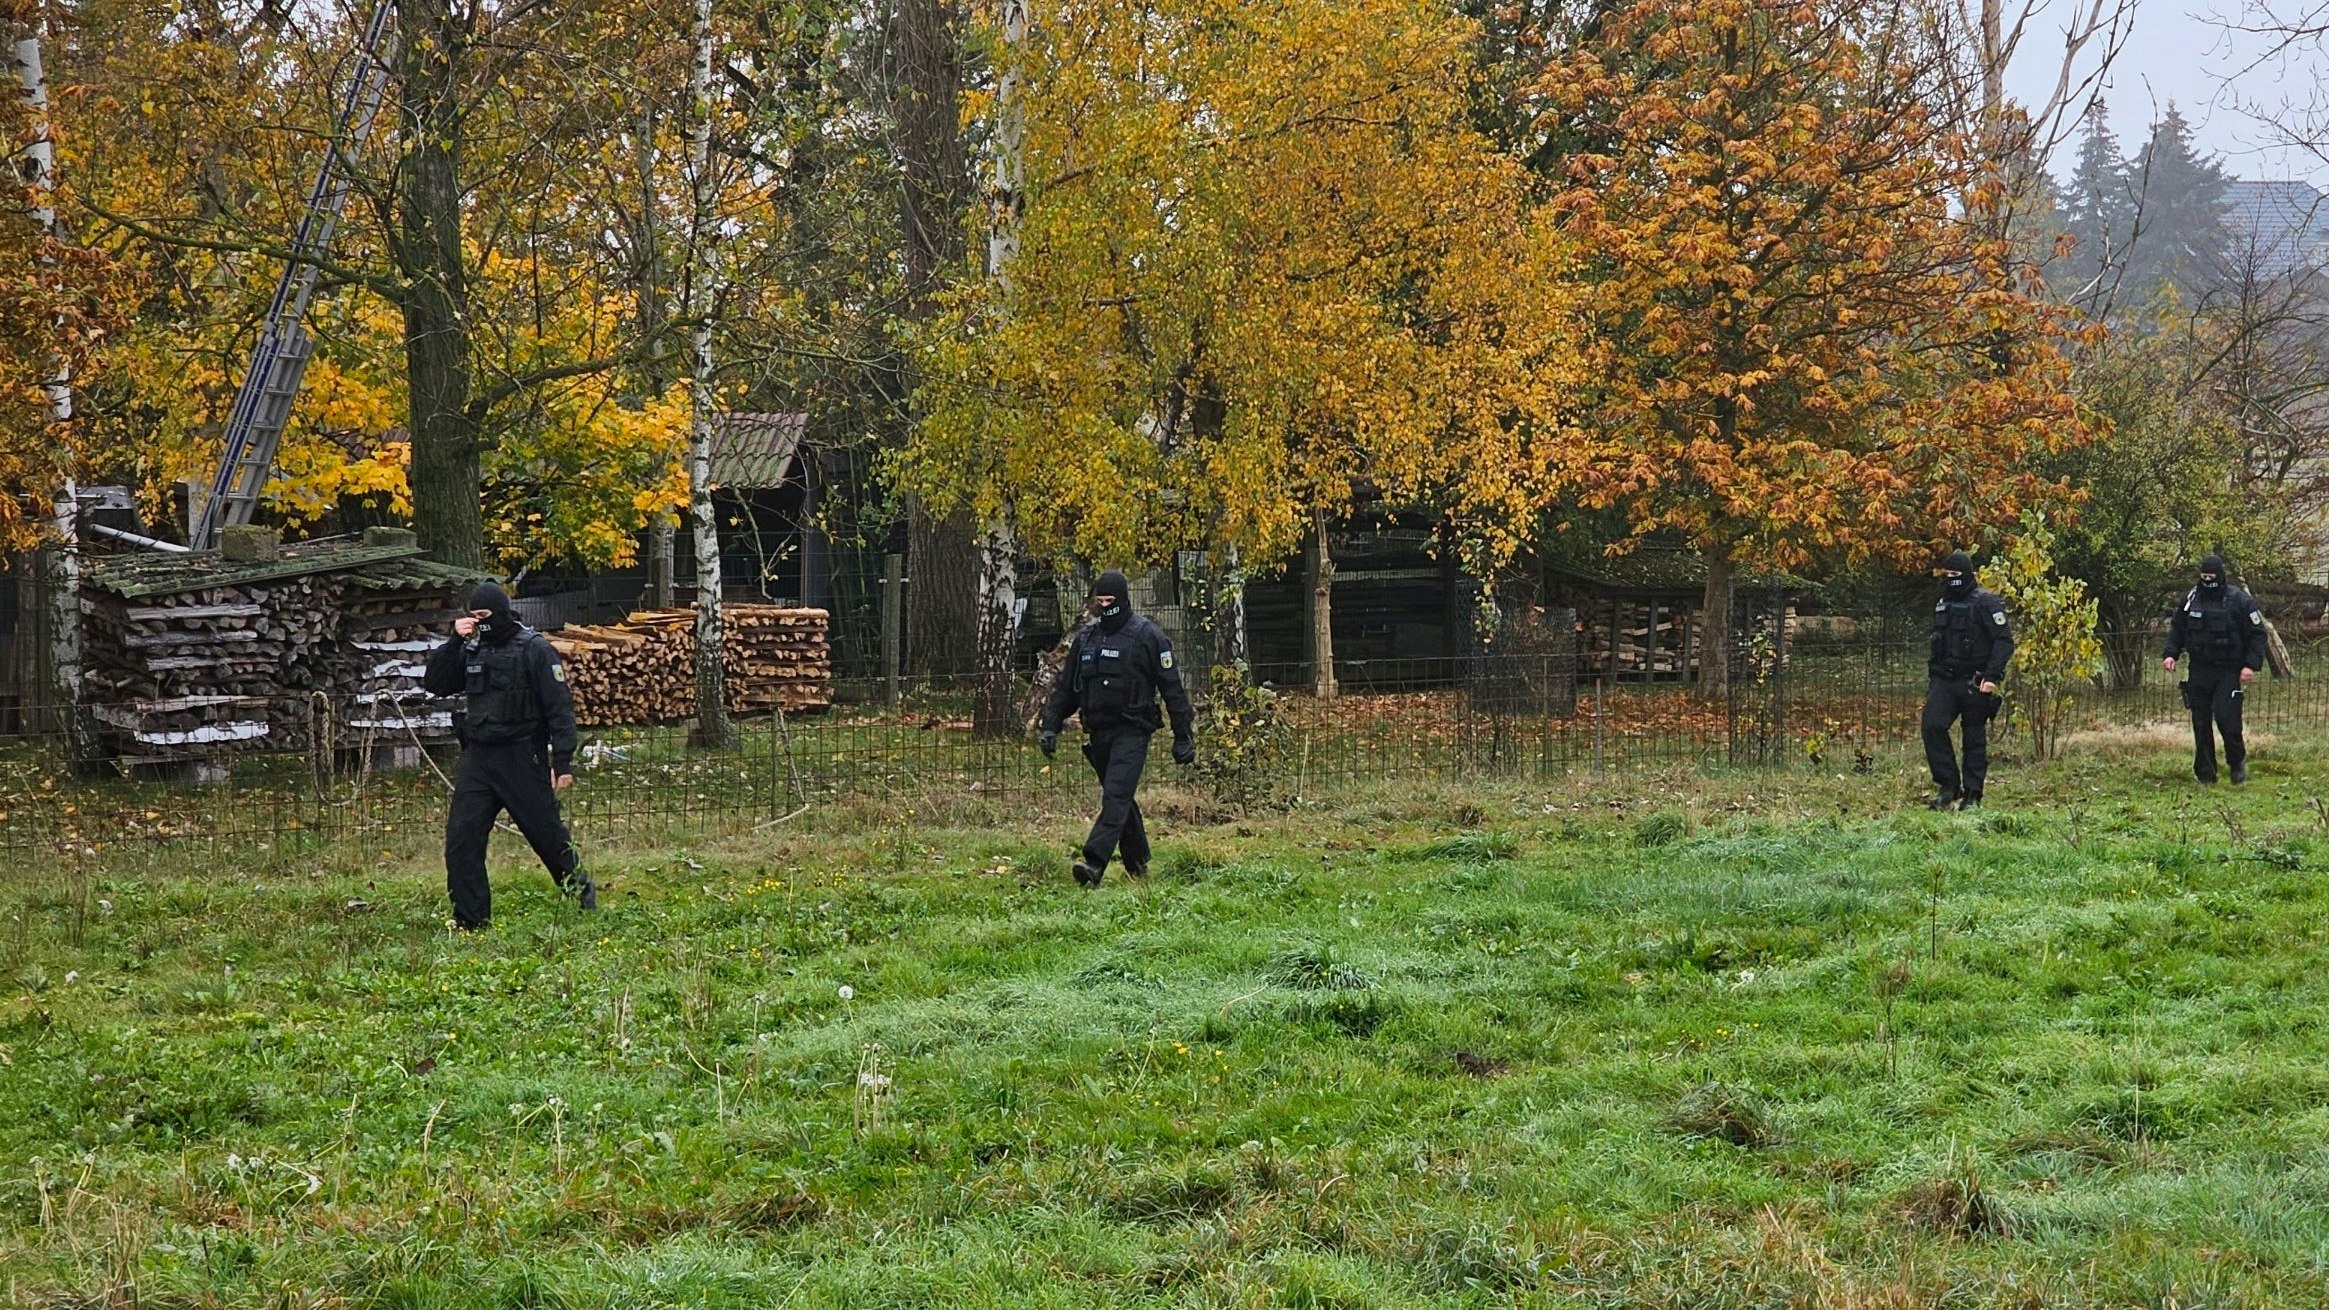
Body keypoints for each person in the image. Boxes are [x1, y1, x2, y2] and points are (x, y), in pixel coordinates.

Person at [422, 580, 594, 929]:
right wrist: (455, 639)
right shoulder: (472, 649)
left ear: (500, 612)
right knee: (462, 838)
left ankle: (582, 895)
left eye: (485, 615)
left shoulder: (534, 649)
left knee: (547, 836)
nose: (480, 622)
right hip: (479, 758)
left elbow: (559, 708)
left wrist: (562, 761)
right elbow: (435, 682)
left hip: (522, 757)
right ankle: (471, 920)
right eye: (474, 615)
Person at [1038, 571, 1196, 886]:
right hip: (1097, 731)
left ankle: (1094, 863)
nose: (1105, 606)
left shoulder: (1149, 637)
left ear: (1123, 600)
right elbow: (1066, 689)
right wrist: (1050, 726)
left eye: (1111, 601)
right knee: (1120, 797)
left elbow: (1172, 689)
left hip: (1133, 729)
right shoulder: (1086, 638)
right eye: (1100, 601)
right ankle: (1138, 864)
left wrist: (1183, 735)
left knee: (1115, 795)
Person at [2161, 554, 2267, 785]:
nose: (2207, 580)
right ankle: (2206, 774)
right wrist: (2171, 654)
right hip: (2199, 669)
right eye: (2204, 576)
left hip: (2228, 670)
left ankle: (2236, 762)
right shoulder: (2191, 598)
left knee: (2227, 720)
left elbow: (2257, 634)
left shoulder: (2239, 600)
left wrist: (2250, 665)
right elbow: (2178, 629)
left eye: (2211, 576)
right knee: (2200, 723)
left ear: (2220, 575)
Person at [1923, 548, 2013, 810]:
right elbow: (1937, 643)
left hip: (1976, 681)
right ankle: (1949, 786)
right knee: (1932, 726)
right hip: (1945, 680)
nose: (1951, 579)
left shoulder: (1986, 602)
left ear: (1968, 574)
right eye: (1947, 573)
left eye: (1955, 574)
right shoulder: (1943, 603)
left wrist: (1992, 677)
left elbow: (2004, 641)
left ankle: (1973, 795)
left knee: (1974, 737)